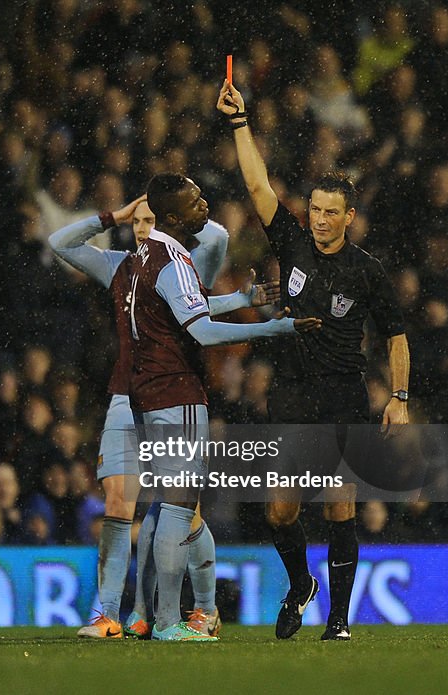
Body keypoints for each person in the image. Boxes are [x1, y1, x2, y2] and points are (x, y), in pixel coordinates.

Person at [218, 80, 410, 641]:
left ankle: (340, 620)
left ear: (349, 216)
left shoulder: (368, 271)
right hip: (293, 393)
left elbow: (396, 337)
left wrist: (399, 398)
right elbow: (256, 183)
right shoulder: (295, 244)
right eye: (316, 210)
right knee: (280, 511)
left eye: (331, 212)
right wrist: (239, 123)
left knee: (339, 505)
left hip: (343, 393)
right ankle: (301, 584)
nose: (321, 219)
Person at [50, 194, 274, 639]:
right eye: (138, 221)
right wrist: (113, 214)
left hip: (173, 394)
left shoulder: (181, 263)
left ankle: (199, 610)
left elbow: (216, 245)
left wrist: (187, 214)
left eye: (152, 220)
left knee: (177, 512)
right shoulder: (120, 266)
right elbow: (60, 242)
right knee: (120, 503)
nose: (142, 228)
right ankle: (111, 613)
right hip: (125, 395)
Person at [128, 172, 321, 641]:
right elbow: (202, 332)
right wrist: (272, 329)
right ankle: (171, 621)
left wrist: (240, 300)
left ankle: (149, 613)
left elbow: (183, 307)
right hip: (176, 390)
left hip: (148, 389)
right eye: (194, 201)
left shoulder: (144, 256)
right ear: (173, 217)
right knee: (179, 507)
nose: (204, 203)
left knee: (162, 506)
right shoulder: (172, 259)